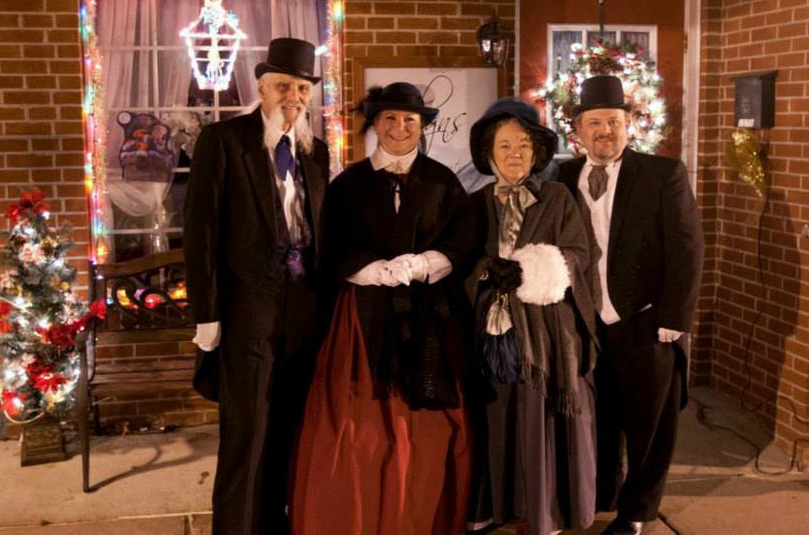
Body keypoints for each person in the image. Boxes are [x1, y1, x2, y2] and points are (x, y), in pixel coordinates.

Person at [291, 82, 475, 535]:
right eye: (390, 118)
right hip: (361, 318)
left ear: (423, 126)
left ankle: (416, 513)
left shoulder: (443, 180)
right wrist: (368, 270)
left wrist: (427, 262)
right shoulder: (347, 184)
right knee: (358, 426)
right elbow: (328, 246)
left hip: (429, 319)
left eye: (410, 119)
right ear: (375, 123)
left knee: (429, 427)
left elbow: (464, 240)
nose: (399, 127)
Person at [183, 37, 330, 535]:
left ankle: (272, 524)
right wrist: (206, 315)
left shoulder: (316, 153)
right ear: (263, 88)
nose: (294, 96)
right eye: (284, 85)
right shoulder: (225, 141)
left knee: (287, 429)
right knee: (246, 432)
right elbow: (201, 232)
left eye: (303, 88)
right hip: (247, 309)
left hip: (301, 310)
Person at [556, 75, 703, 535]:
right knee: (599, 418)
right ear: (577, 129)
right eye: (595, 122)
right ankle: (601, 493)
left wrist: (673, 320)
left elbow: (687, 249)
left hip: (645, 323)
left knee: (649, 426)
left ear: (630, 124)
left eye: (615, 122)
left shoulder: (664, 174)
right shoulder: (561, 178)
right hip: (585, 325)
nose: (605, 131)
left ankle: (637, 512)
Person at [465, 98, 598, 535]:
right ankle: (501, 506)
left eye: (523, 145)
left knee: (539, 419)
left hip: (546, 335)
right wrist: (487, 273)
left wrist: (532, 267)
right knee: (499, 417)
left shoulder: (557, 197)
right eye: (505, 146)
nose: (515, 154)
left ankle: (544, 513)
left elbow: (580, 254)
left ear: (537, 152)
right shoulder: (477, 203)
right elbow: (462, 262)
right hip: (495, 333)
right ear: (489, 153)